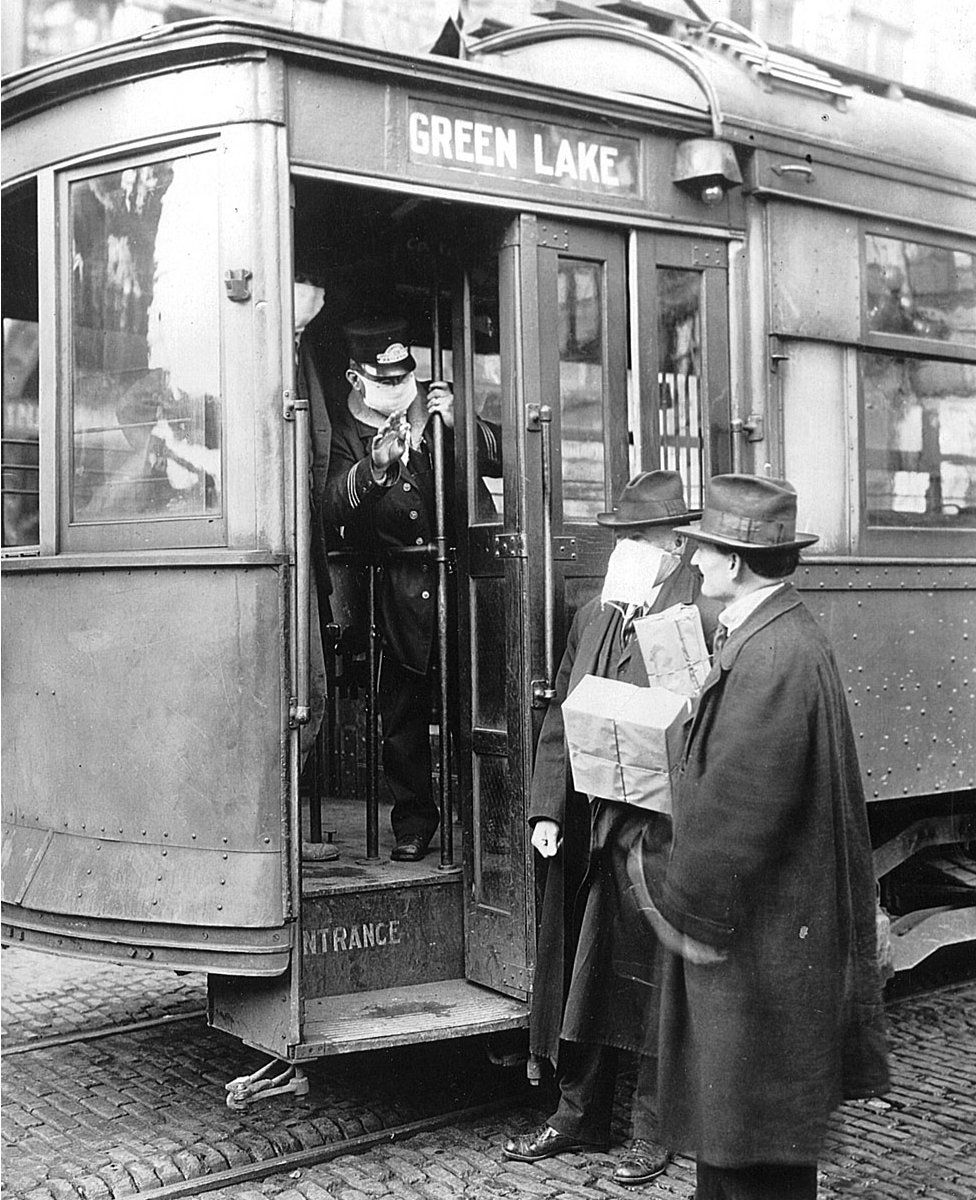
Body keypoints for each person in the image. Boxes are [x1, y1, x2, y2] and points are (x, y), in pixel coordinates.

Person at [625, 474, 891, 1200]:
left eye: (705, 550)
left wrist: (664, 891)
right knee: (762, 1151)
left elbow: (736, 818)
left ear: (737, 563)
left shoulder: (768, 657)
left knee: (742, 1154)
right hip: (773, 945)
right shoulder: (782, 636)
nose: (696, 562)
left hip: (752, 957)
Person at [504, 471, 719, 1186]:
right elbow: (561, 716)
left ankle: (655, 1128)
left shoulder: (701, 617)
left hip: (662, 832)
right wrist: (544, 809)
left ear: (677, 543)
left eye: (639, 537)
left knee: (659, 977)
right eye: (620, 536)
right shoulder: (597, 612)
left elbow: (710, 730)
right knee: (588, 973)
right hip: (592, 828)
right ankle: (578, 1114)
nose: (624, 548)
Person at [321, 316, 501, 862]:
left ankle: (486, 815)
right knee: (401, 716)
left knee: (476, 706)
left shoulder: (437, 408)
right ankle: (415, 822)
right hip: (399, 589)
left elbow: (500, 458)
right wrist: (375, 468)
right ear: (357, 380)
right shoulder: (349, 432)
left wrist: (461, 426)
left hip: (465, 585)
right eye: (387, 380)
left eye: (405, 379)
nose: (400, 389)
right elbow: (332, 507)